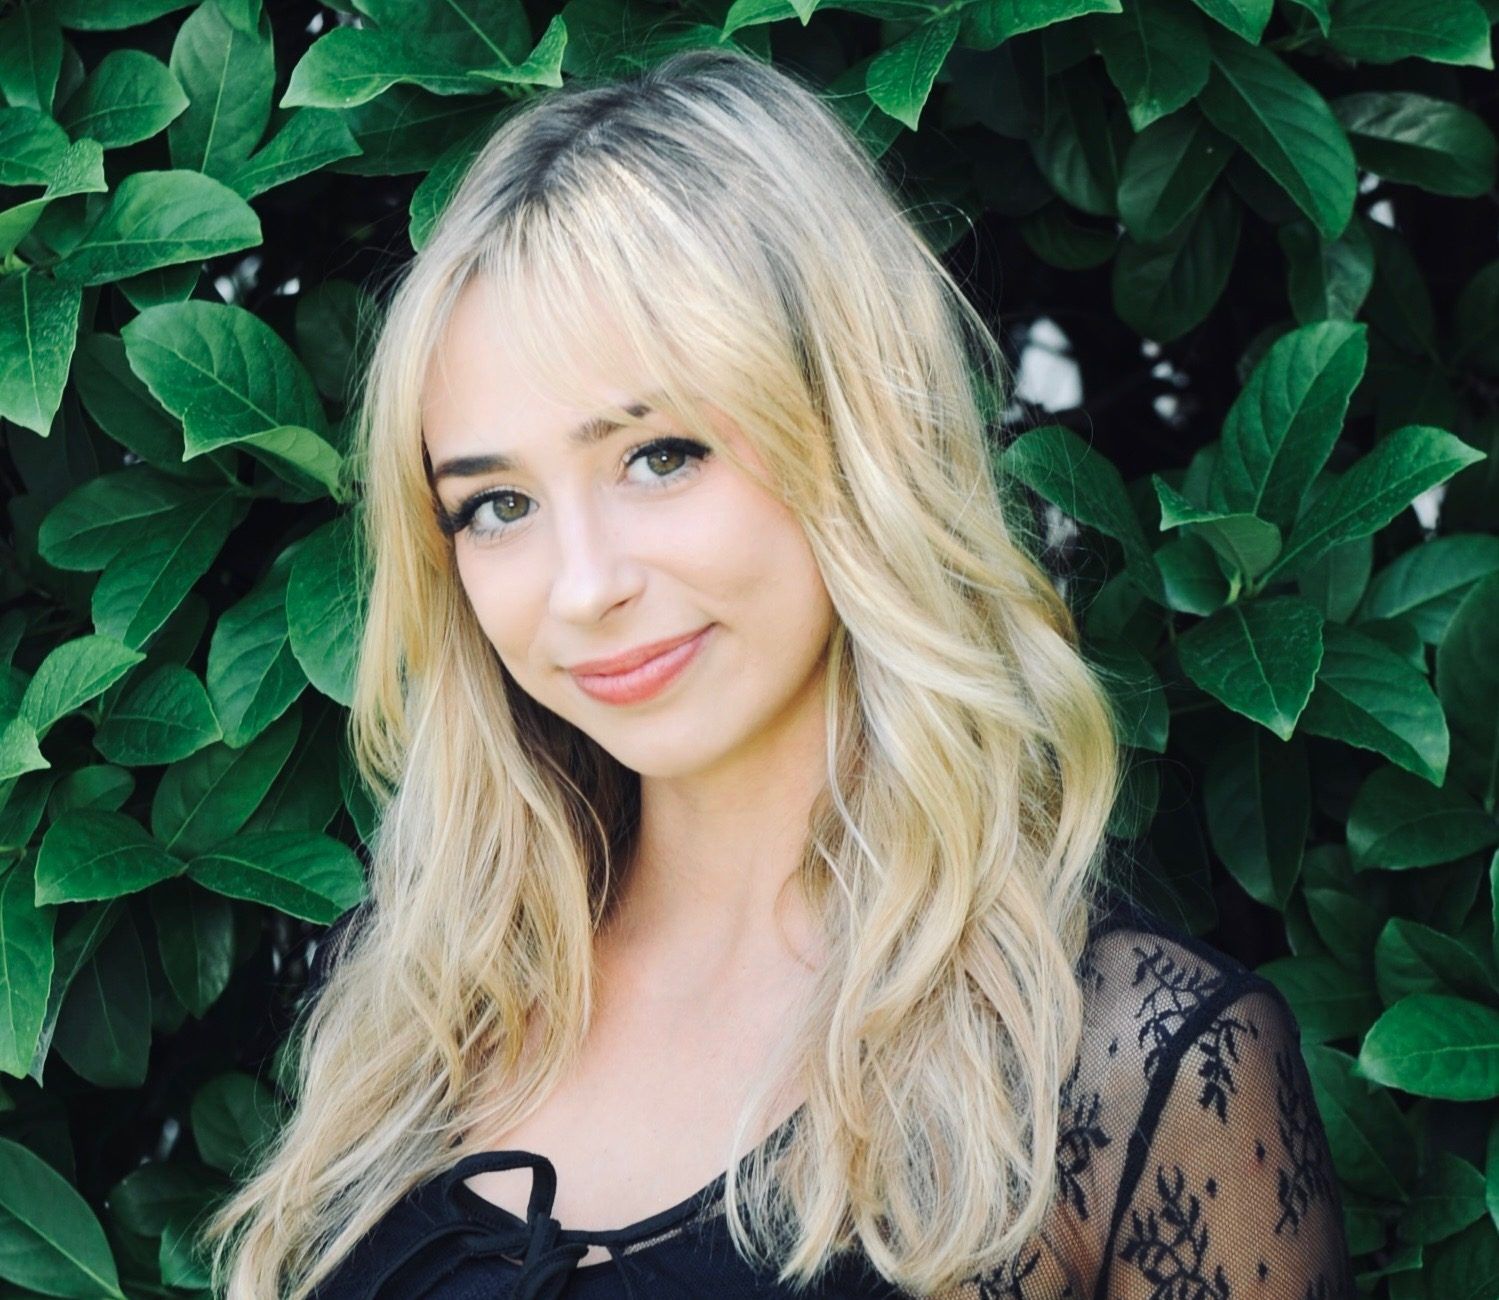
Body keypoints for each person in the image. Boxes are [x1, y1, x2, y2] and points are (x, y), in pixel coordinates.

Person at [200, 46, 1355, 1300]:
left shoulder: (1135, 1075)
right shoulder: (420, 1011)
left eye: (658, 455)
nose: (583, 584)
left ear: (851, 438)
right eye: (495, 504)